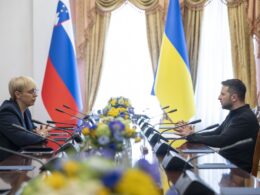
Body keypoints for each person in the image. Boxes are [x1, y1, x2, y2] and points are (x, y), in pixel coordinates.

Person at [175, 79, 259, 172]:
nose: (219, 97)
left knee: (188, 170)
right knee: (187, 168)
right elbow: (217, 132)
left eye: (223, 94)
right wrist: (192, 134)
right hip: (226, 165)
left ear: (234, 97)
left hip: (237, 172)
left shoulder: (244, 117)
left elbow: (221, 140)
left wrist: (192, 136)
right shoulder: (236, 113)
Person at [0, 76, 49, 161]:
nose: (35, 95)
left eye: (35, 91)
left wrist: (38, 132)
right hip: (7, 165)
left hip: (21, 159)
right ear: (18, 94)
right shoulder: (7, 111)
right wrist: (41, 135)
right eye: (31, 92)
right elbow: (22, 138)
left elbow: (32, 131)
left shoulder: (25, 110)